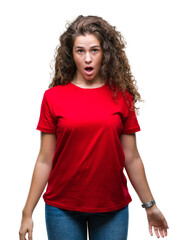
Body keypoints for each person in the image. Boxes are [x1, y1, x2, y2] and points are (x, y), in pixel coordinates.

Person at [19, 15, 169, 240]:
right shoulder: (53, 98)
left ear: (105, 53)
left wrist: (150, 205)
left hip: (112, 208)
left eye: (94, 50)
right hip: (62, 208)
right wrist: (27, 212)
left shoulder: (122, 97)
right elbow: (45, 158)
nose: (87, 58)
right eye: (80, 51)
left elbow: (131, 157)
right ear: (71, 54)